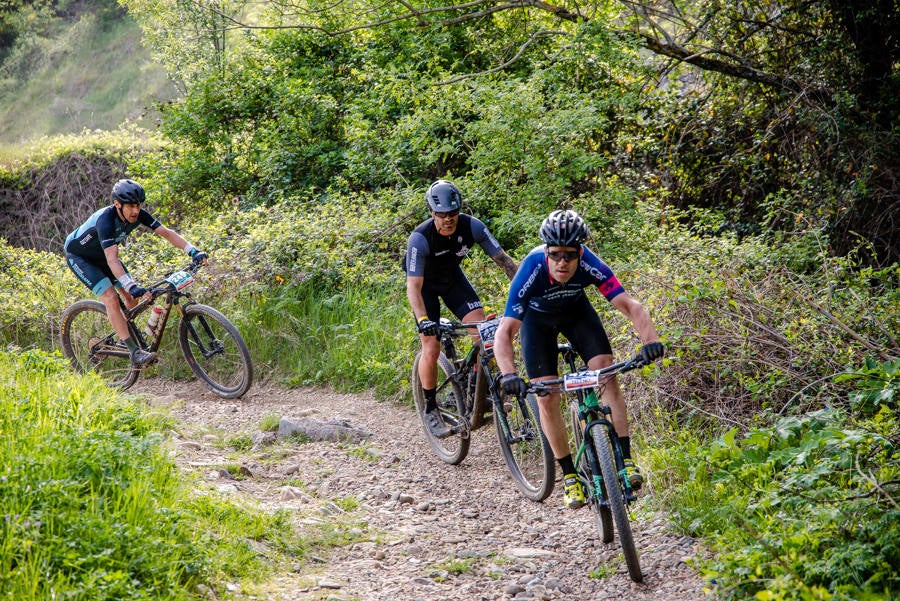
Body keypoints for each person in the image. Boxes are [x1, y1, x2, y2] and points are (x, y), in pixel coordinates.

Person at [493, 209, 664, 509]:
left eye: (569, 255)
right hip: (538, 323)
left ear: (580, 251)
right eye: (555, 254)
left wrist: (650, 342)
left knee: (606, 373)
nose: (562, 262)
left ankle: (625, 459)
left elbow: (631, 307)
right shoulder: (531, 268)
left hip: (577, 314)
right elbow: (505, 332)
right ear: (546, 251)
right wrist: (508, 374)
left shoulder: (589, 263)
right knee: (547, 396)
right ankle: (570, 476)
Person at [405, 179, 518, 437]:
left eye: (453, 213)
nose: (448, 219)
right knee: (431, 346)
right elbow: (413, 287)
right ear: (432, 213)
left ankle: (473, 387)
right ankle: (431, 407)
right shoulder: (420, 239)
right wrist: (423, 319)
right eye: (442, 214)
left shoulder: (472, 226)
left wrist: (526, 292)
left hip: (453, 281)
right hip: (425, 289)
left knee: (482, 332)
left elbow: (505, 261)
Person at [64, 178, 208, 366]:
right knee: (111, 297)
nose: (135, 211)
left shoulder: (139, 214)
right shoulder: (106, 220)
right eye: (131, 206)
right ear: (117, 204)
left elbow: (166, 232)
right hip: (81, 257)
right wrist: (130, 285)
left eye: (138, 205)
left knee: (133, 300)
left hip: (105, 256)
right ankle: (134, 352)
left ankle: (127, 336)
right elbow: (112, 259)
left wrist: (193, 250)